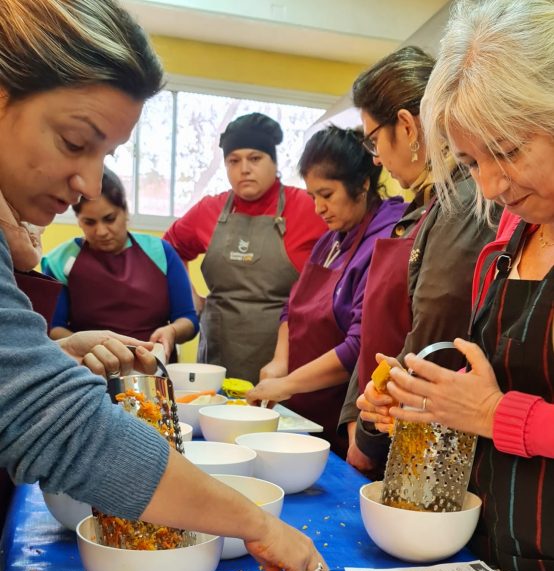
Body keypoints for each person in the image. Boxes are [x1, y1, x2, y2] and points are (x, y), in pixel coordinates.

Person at [0, 0, 328, 571]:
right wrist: (254, 523)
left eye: (104, 158)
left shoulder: (299, 212)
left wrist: (57, 350)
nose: (89, 185)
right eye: (75, 141)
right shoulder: (70, 255)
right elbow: (61, 424)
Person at [360, 0, 554, 571]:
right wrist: (427, 407)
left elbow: (495, 409)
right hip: (496, 562)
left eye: (508, 150)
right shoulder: (504, 244)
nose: (493, 186)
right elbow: (480, 394)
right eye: (472, 162)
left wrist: (498, 415)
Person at [338, 46, 495, 477]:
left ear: (406, 127)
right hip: (384, 414)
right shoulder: (418, 209)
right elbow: (373, 328)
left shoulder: (464, 203)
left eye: (374, 141)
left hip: (417, 436)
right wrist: (358, 412)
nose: (376, 159)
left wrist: (370, 431)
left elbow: (434, 329)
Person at [246, 125, 406, 456]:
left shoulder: (388, 239)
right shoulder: (330, 241)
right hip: (302, 415)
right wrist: (279, 362)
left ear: (362, 184)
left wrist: (288, 384)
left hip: (343, 420)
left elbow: (359, 346)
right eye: (312, 196)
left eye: (327, 195)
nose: (318, 208)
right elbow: (292, 308)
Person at [164, 112, 327, 383]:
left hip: (284, 361)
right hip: (218, 359)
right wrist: (190, 299)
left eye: (255, 158)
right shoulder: (209, 210)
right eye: (233, 161)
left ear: (274, 162)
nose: (244, 169)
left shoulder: (309, 208)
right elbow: (169, 250)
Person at [42, 167, 198, 361]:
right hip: (90, 369)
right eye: (89, 222)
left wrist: (172, 331)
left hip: (153, 366)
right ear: (78, 221)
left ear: (125, 212)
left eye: (110, 219)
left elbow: (189, 319)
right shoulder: (60, 261)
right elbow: (53, 327)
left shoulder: (161, 252)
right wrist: (94, 348)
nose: (101, 231)